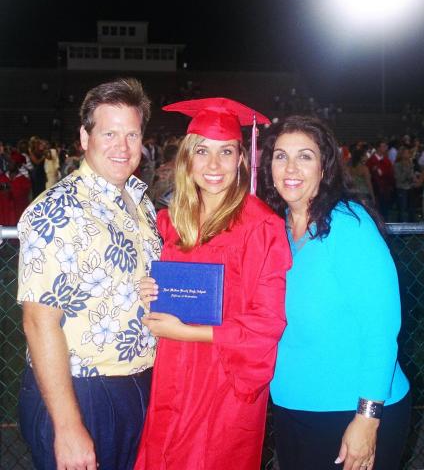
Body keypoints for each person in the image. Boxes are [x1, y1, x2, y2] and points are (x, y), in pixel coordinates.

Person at [134, 97, 292, 470]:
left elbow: (266, 324)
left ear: (241, 158)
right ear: (187, 157)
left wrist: (187, 332)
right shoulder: (172, 222)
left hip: (224, 382)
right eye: (202, 151)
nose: (214, 165)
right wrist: (150, 291)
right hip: (173, 373)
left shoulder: (260, 226)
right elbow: (168, 296)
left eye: (226, 152)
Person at [17, 78, 162, 470]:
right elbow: (37, 322)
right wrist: (67, 426)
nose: (123, 146)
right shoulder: (56, 210)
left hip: (138, 382)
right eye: (110, 133)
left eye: (132, 134)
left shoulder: (140, 202)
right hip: (81, 392)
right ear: (85, 137)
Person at [258, 116, 410, 470]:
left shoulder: (348, 226)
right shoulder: (273, 228)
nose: (291, 168)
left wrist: (367, 418)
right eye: (281, 156)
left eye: (305, 156)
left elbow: (381, 330)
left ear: (325, 166)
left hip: (351, 411)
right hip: (291, 407)